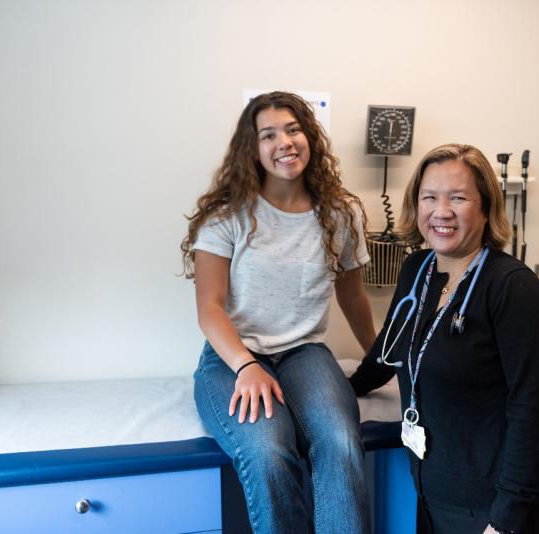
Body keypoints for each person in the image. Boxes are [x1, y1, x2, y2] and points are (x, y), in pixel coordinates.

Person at [181, 91, 374, 534]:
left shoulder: (340, 215)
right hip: (233, 359)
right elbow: (209, 309)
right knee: (269, 452)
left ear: (310, 137)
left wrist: (382, 360)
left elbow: (353, 298)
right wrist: (246, 365)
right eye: (268, 135)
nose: (284, 142)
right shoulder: (227, 217)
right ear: (253, 149)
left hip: (305, 354)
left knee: (341, 443)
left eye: (293, 129)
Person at [350, 144, 539, 534]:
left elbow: (532, 416)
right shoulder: (419, 269)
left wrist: (504, 520)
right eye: (429, 197)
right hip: (434, 498)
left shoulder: (512, 289)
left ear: (486, 209)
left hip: (495, 511)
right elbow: (391, 347)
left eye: (458, 198)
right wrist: (347, 389)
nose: (441, 211)